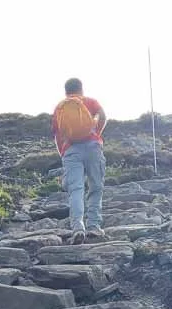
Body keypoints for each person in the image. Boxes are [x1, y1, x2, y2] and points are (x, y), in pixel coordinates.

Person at [52, 77, 107, 244]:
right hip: (92, 146)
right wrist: (97, 134)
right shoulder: (90, 101)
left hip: (71, 150)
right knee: (95, 186)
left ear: (66, 91)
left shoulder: (60, 107)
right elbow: (103, 116)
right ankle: (94, 226)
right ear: (81, 89)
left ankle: (77, 228)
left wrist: (63, 152)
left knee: (76, 189)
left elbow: (57, 134)